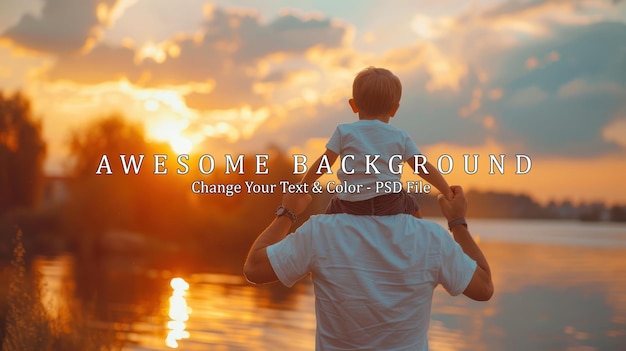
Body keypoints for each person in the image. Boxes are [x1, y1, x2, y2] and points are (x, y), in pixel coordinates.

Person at [244, 185, 493, 351]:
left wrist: (287, 212)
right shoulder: (429, 238)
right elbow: (483, 287)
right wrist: (457, 222)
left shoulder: (322, 232)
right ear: (410, 211)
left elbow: (254, 268)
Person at [300, 66, 453, 218]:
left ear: (353, 105)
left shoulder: (344, 131)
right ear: (394, 109)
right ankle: (418, 233)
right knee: (410, 203)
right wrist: (446, 191)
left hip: (351, 203)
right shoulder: (400, 136)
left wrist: (303, 186)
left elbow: (324, 163)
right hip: (389, 202)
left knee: (332, 208)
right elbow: (422, 167)